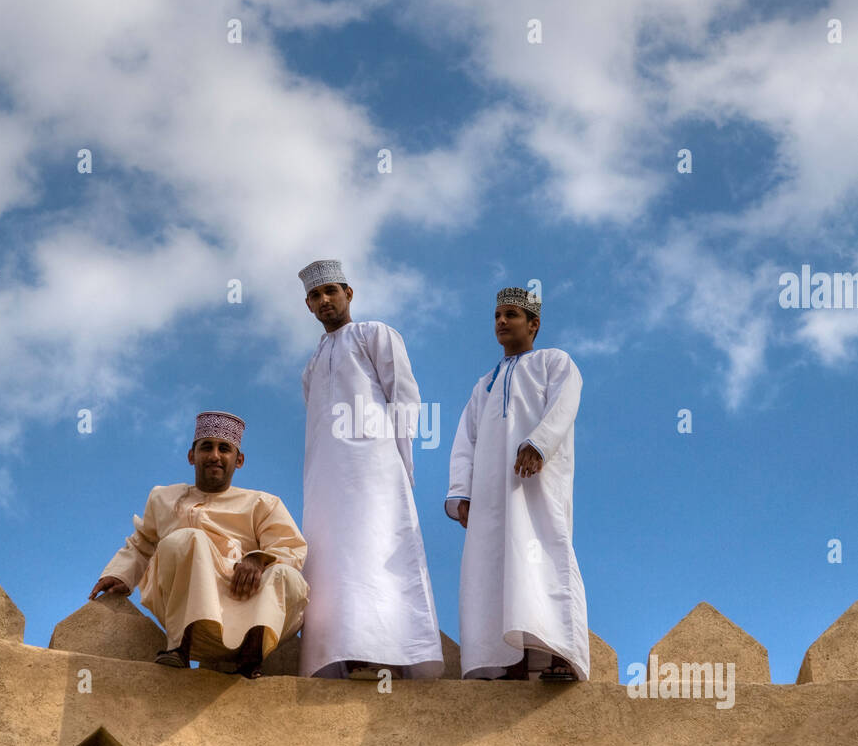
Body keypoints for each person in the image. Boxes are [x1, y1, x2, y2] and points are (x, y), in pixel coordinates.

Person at [298, 259, 443, 679]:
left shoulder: (374, 334)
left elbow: (405, 396)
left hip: (375, 466)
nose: (325, 301)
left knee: (376, 545)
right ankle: (346, 650)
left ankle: (386, 650)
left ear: (349, 294)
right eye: (315, 296)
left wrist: (400, 460)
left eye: (331, 291)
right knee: (332, 555)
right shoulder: (312, 365)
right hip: (327, 476)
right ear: (308, 305)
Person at [90, 411, 308, 678]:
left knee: (286, 575)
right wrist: (118, 574)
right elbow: (141, 543)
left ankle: (251, 659)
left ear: (238, 460)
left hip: (247, 606)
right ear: (192, 456)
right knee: (189, 539)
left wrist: (257, 559)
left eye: (224, 449)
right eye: (207, 447)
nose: (215, 455)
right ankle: (179, 646)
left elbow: (290, 548)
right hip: (185, 610)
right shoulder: (163, 498)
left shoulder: (263, 504)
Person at [445, 288, 589, 681]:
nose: (502, 322)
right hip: (492, 496)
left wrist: (537, 445)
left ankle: (561, 656)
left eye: (511, 314)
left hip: (536, 484)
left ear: (534, 324)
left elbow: (564, 405)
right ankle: (514, 661)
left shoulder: (554, 362)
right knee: (499, 571)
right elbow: (465, 442)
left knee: (544, 558)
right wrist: (463, 492)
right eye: (496, 316)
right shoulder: (484, 385)